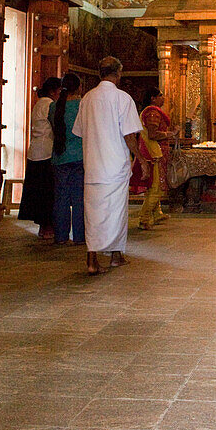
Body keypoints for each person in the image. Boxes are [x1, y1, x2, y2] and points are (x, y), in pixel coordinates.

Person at [72, 57, 147, 275]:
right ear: (118, 74)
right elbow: (129, 135)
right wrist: (140, 158)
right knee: (116, 212)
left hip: (93, 165)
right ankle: (114, 256)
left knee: (93, 212)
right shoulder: (122, 98)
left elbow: (79, 131)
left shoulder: (87, 99)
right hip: (114, 165)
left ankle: (93, 258)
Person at [18, 76, 61, 239]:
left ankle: (44, 227)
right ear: (53, 91)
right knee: (46, 191)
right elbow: (56, 125)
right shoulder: (50, 104)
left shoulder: (39, 103)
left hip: (35, 150)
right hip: (46, 151)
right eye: (58, 91)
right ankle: (48, 227)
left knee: (37, 190)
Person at [131, 87, 179, 230]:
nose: (163, 98)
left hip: (152, 153)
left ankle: (156, 213)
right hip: (152, 154)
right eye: (160, 95)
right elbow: (153, 135)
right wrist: (171, 133)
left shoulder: (150, 111)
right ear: (153, 98)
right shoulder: (152, 112)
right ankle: (144, 219)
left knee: (156, 185)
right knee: (155, 188)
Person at [50, 73, 84, 245]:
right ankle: (80, 237)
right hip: (79, 156)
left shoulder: (54, 107)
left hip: (59, 156)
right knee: (79, 199)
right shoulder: (81, 105)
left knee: (61, 198)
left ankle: (61, 236)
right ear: (79, 87)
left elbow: (55, 129)